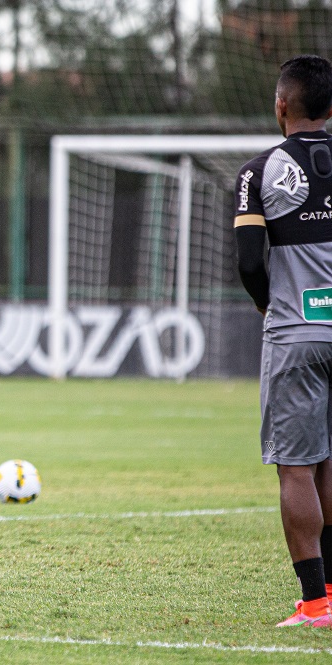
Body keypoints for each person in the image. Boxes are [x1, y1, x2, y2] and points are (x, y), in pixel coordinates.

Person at [235, 54, 332, 627]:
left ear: (281, 105)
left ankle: (316, 602)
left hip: (295, 330)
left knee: (296, 468)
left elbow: (250, 261)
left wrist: (267, 306)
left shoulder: (260, 171)